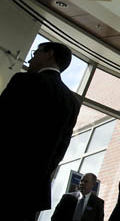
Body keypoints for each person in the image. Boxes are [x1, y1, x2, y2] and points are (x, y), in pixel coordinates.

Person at [0, 41, 80, 221]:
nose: (31, 59)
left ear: (49, 54)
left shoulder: (25, 81)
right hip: (34, 191)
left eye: (36, 53)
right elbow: (61, 148)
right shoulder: (71, 102)